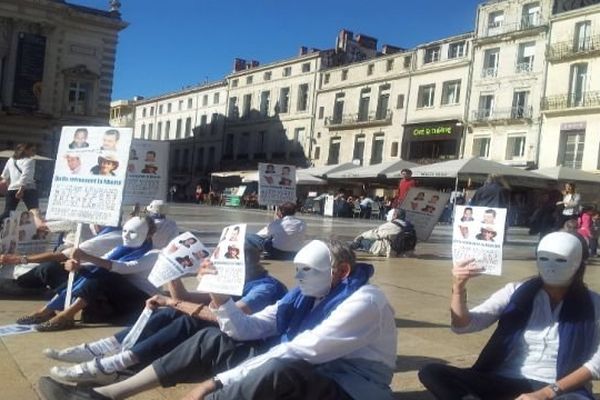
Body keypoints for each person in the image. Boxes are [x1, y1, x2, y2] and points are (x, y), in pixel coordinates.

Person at [39, 240, 397, 400]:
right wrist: (220, 299)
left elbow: (300, 351)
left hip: (351, 389)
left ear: (342, 271)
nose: (300, 278)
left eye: (308, 271)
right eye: (298, 270)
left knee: (277, 370)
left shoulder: (366, 301)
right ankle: (108, 394)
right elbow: (249, 328)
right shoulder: (302, 296)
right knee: (217, 340)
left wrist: (213, 384)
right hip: (310, 371)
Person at [42, 241, 287, 385]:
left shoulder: (265, 287)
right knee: (174, 311)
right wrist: (173, 274)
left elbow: (226, 318)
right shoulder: (242, 282)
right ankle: (105, 351)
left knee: (188, 319)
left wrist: (174, 302)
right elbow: (185, 299)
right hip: (235, 334)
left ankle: (119, 363)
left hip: (250, 344)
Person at [419, 231, 600, 399]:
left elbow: (596, 364)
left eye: (561, 260)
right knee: (432, 372)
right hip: (505, 378)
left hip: (559, 387)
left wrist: (545, 393)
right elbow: (464, 325)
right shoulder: (515, 292)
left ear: (578, 263)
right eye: (544, 258)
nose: (551, 266)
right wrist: (458, 288)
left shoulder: (594, 304)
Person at [16, 216, 160, 331]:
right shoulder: (120, 249)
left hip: (139, 300)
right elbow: (99, 262)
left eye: (133, 232)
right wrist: (76, 265)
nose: (127, 236)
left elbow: (122, 267)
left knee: (105, 274)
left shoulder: (154, 254)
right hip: (113, 294)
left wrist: (85, 257)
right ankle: (49, 309)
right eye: (125, 231)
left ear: (148, 235)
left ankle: (67, 315)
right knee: (87, 271)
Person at [0, 143, 44, 228]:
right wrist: (21, 189)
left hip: (12, 189)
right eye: (33, 150)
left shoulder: (11, 160)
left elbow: (4, 175)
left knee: (8, 212)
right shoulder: (30, 161)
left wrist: (9, 184)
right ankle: (39, 230)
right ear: (26, 150)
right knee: (34, 210)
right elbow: (26, 176)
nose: (34, 152)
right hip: (28, 189)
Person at [351, 209, 415, 257]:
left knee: (363, 241)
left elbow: (374, 234)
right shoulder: (410, 226)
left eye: (389, 214)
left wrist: (360, 237)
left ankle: (351, 248)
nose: (387, 216)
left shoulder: (391, 225)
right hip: (406, 252)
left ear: (395, 216)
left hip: (390, 252)